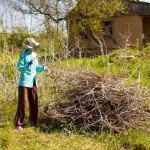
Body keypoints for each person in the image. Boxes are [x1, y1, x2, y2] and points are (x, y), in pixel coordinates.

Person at [14, 38, 49, 131]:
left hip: (33, 82)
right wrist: (27, 65)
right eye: (33, 46)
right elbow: (20, 68)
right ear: (29, 46)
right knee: (23, 103)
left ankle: (34, 121)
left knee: (34, 101)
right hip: (24, 82)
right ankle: (19, 123)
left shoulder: (35, 55)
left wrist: (44, 68)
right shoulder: (23, 55)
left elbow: (36, 68)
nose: (34, 47)